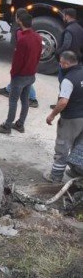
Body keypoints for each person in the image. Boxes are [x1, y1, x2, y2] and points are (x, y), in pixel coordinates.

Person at [0, 13, 42, 134]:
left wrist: (13, 73)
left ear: (19, 21)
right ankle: (20, 124)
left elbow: (17, 61)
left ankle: (7, 126)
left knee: (13, 101)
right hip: (31, 75)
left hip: (20, 76)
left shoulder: (23, 40)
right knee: (25, 100)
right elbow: (38, 56)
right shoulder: (37, 37)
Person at [44, 51, 83, 183]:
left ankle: (55, 176)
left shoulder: (68, 79)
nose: (60, 65)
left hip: (71, 118)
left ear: (66, 64)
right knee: (79, 146)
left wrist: (52, 115)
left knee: (62, 147)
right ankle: (76, 172)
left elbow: (63, 102)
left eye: (60, 63)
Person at [0, 8, 39, 108]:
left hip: (23, 59)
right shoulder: (30, 30)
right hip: (29, 59)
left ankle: (32, 98)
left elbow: (19, 46)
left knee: (21, 77)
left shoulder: (19, 31)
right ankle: (8, 89)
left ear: (18, 19)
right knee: (23, 77)